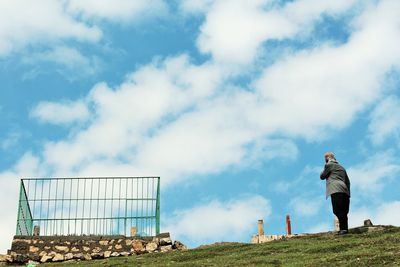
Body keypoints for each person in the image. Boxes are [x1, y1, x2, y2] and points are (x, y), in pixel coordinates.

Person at [320, 152, 351, 235]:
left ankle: (343, 229)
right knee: (344, 211)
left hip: (335, 189)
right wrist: (348, 193)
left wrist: (327, 163)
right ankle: (345, 229)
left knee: (337, 210)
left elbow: (322, 176)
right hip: (344, 190)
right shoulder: (342, 168)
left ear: (327, 158)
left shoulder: (328, 165)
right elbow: (348, 182)